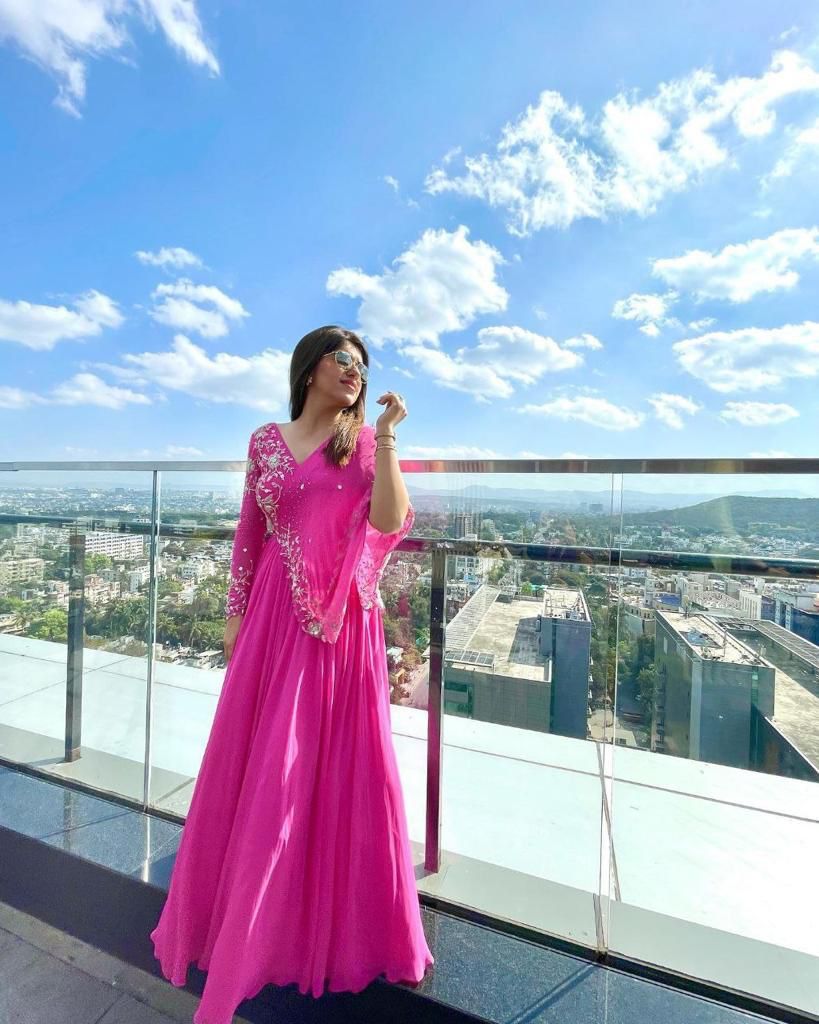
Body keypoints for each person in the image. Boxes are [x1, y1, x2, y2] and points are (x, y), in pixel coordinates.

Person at [150, 325, 434, 1024]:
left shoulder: (363, 444)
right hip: (275, 618)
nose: (355, 372)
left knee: (332, 766)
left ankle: (328, 926)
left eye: (363, 365)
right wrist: (235, 617)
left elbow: (390, 518)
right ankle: (250, 925)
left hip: (340, 625)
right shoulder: (265, 443)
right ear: (310, 369)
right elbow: (251, 532)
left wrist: (390, 437)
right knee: (264, 766)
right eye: (343, 359)